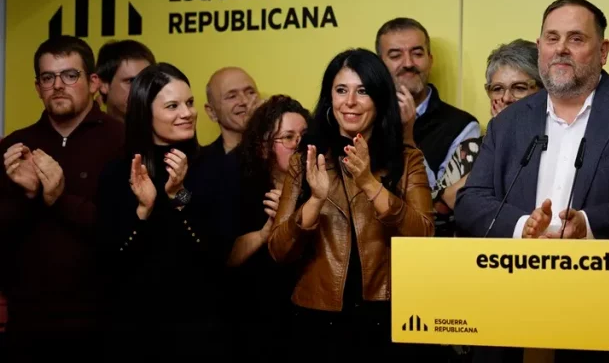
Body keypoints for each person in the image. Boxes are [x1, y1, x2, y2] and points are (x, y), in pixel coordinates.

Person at [454, 0, 609, 362]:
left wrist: (589, 225)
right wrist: (521, 227)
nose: (561, 49)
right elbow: (471, 199)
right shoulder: (509, 122)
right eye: (551, 38)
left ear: (603, 50)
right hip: (515, 309)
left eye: (576, 39)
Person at [268, 48, 434, 360]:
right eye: (341, 90)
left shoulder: (407, 158)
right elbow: (278, 250)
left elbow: (424, 235)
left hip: (389, 314)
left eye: (363, 91)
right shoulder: (304, 160)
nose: (350, 102)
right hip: (317, 317)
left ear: (380, 99)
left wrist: (370, 182)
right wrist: (315, 201)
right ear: (329, 97)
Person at [98, 63, 238, 358]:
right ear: (145, 114)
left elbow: (221, 253)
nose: (187, 113)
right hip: (135, 329)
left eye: (188, 103)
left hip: (201, 328)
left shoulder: (214, 165)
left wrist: (180, 196)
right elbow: (109, 260)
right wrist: (144, 210)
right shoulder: (118, 171)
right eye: (172, 106)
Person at [0, 36, 124, 361]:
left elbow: (126, 234)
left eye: (70, 75)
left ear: (93, 82)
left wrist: (59, 198)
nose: (58, 85)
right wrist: (25, 196)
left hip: (104, 325)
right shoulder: (14, 147)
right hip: (28, 325)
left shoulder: (122, 141)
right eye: (48, 77)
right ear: (37, 86)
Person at [226, 94, 310, 359]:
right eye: (288, 137)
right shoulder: (242, 188)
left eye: (304, 136)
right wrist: (266, 232)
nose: (299, 144)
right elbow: (226, 257)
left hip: (307, 314)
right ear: (264, 147)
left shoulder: (319, 189)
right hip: (255, 318)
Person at [434, 39, 542, 237]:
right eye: (497, 89)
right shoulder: (471, 149)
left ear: (543, 91)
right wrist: (500, 138)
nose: (507, 98)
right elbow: (445, 204)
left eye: (519, 87)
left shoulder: (556, 145)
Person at [376, 17, 480, 187]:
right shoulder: (365, 115)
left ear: (430, 60)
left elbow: (442, 202)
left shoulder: (462, 126)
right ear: (379, 64)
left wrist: (408, 141)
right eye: (396, 55)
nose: (408, 63)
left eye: (417, 54)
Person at [202, 67, 262, 155]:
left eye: (250, 92)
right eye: (232, 96)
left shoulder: (276, 151)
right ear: (212, 112)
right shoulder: (199, 163)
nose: (244, 101)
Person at [96, 39, 156, 122]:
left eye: (146, 80)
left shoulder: (169, 132)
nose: (141, 88)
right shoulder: (89, 134)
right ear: (103, 84)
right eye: (131, 81)